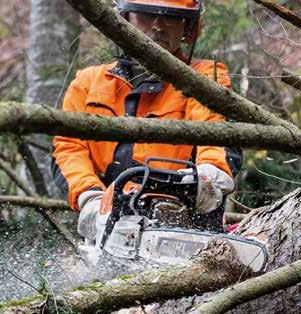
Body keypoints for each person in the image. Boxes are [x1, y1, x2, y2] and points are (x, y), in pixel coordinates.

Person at [51, 0, 242, 238]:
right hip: (109, 218)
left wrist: (207, 177)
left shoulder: (204, 77)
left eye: (171, 18)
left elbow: (214, 130)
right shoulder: (88, 82)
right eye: (146, 15)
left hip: (184, 222)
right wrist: (89, 196)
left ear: (188, 27)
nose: (158, 26)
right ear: (125, 18)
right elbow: (69, 148)